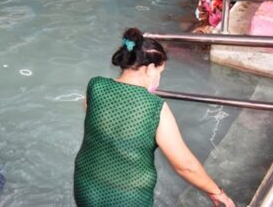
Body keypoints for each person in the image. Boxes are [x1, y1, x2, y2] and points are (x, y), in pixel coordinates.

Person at [74, 28, 235, 207]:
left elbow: (97, 122)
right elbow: (185, 165)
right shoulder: (155, 107)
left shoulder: (95, 86)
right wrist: (217, 192)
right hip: (127, 197)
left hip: (85, 187)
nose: (159, 78)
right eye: (160, 72)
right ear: (150, 69)